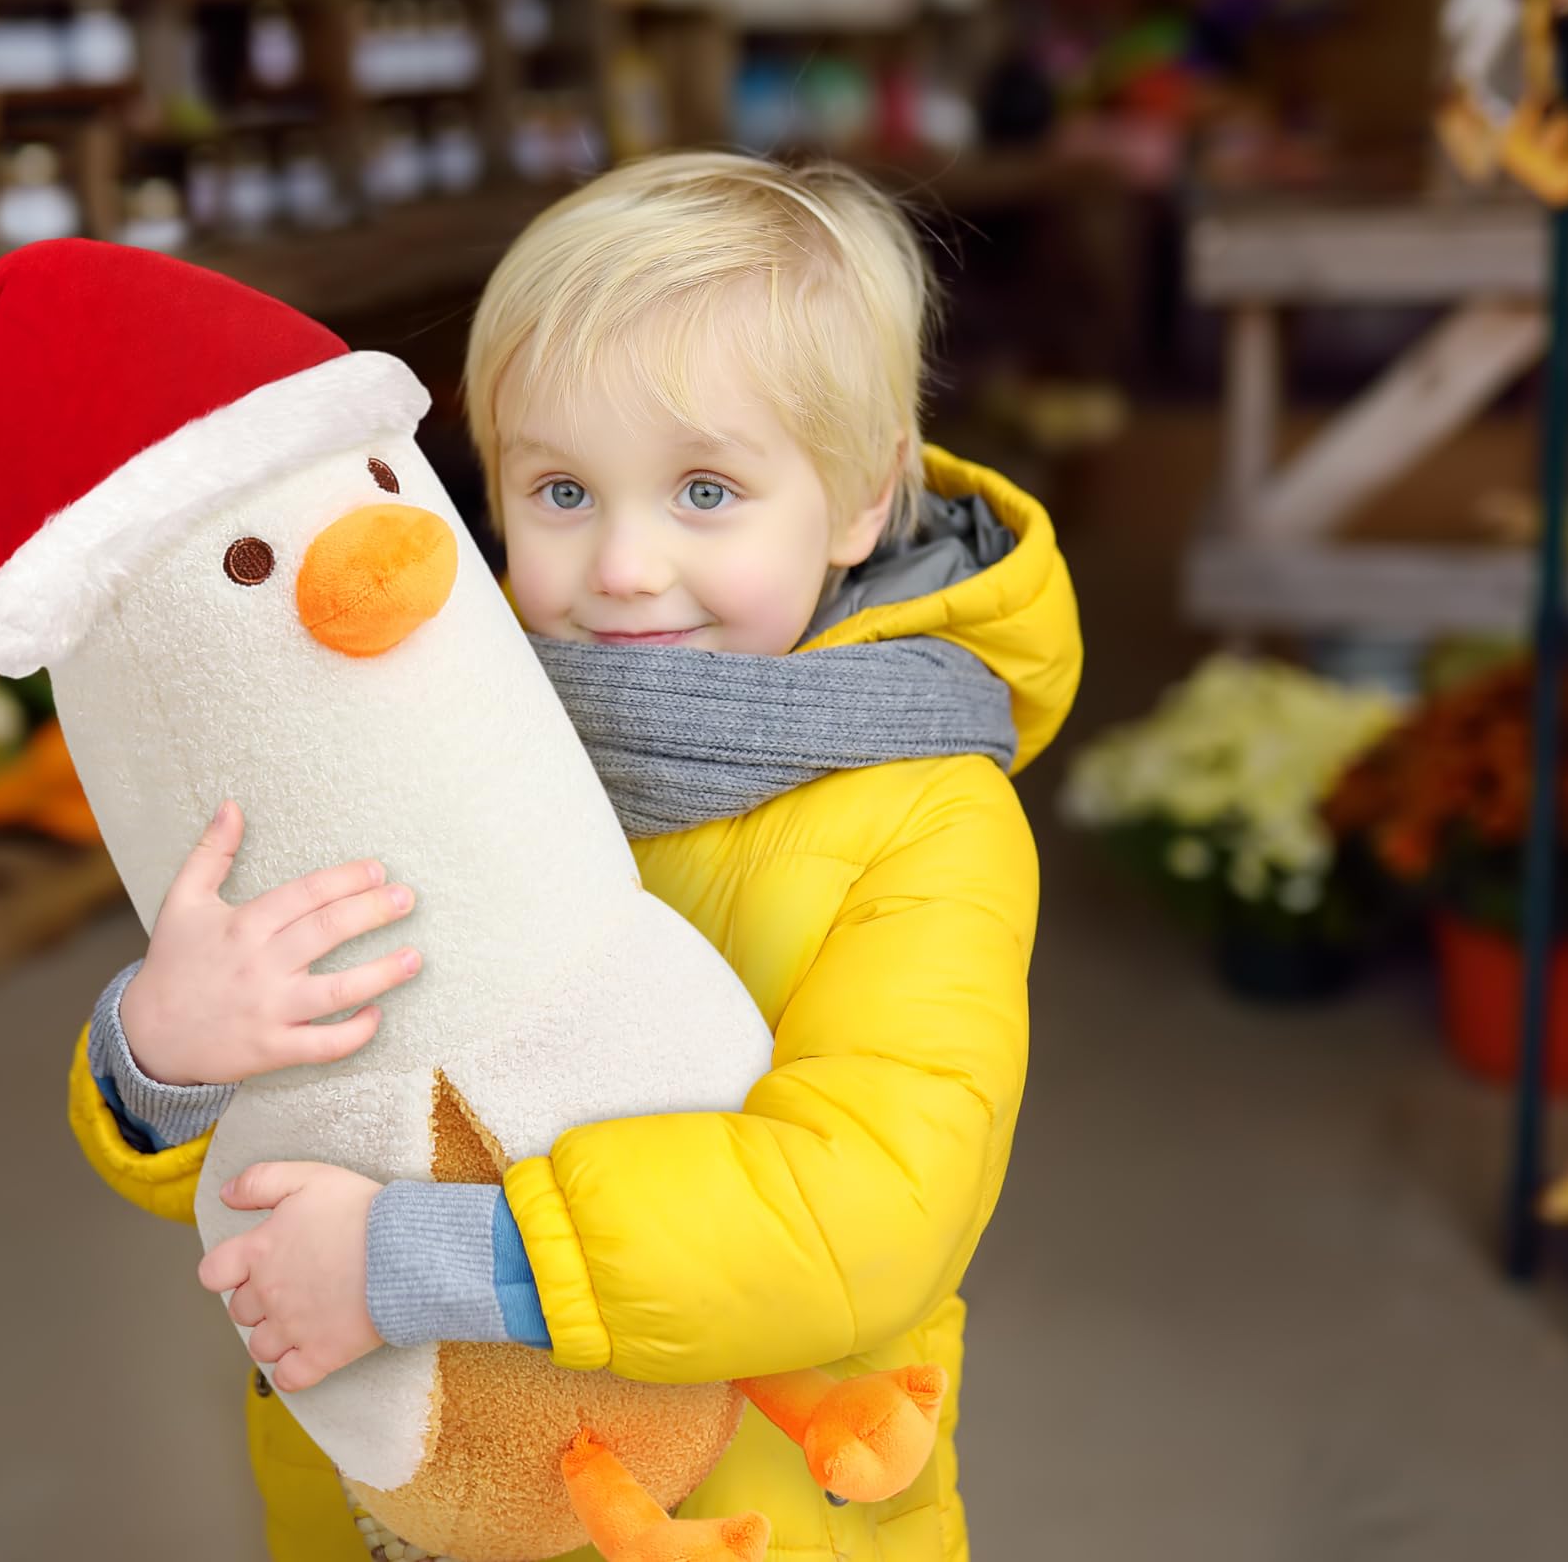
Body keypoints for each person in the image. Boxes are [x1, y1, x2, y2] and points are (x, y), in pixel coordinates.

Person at [68, 150, 1081, 1562]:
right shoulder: (418, 728)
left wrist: (408, 1265)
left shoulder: (925, 821)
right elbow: (294, 1139)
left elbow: (868, 1210)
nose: (621, 565)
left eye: (708, 493)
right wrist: (169, 1052)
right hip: (404, 1503)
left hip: (745, 1513)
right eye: (559, 492)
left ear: (861, 499)